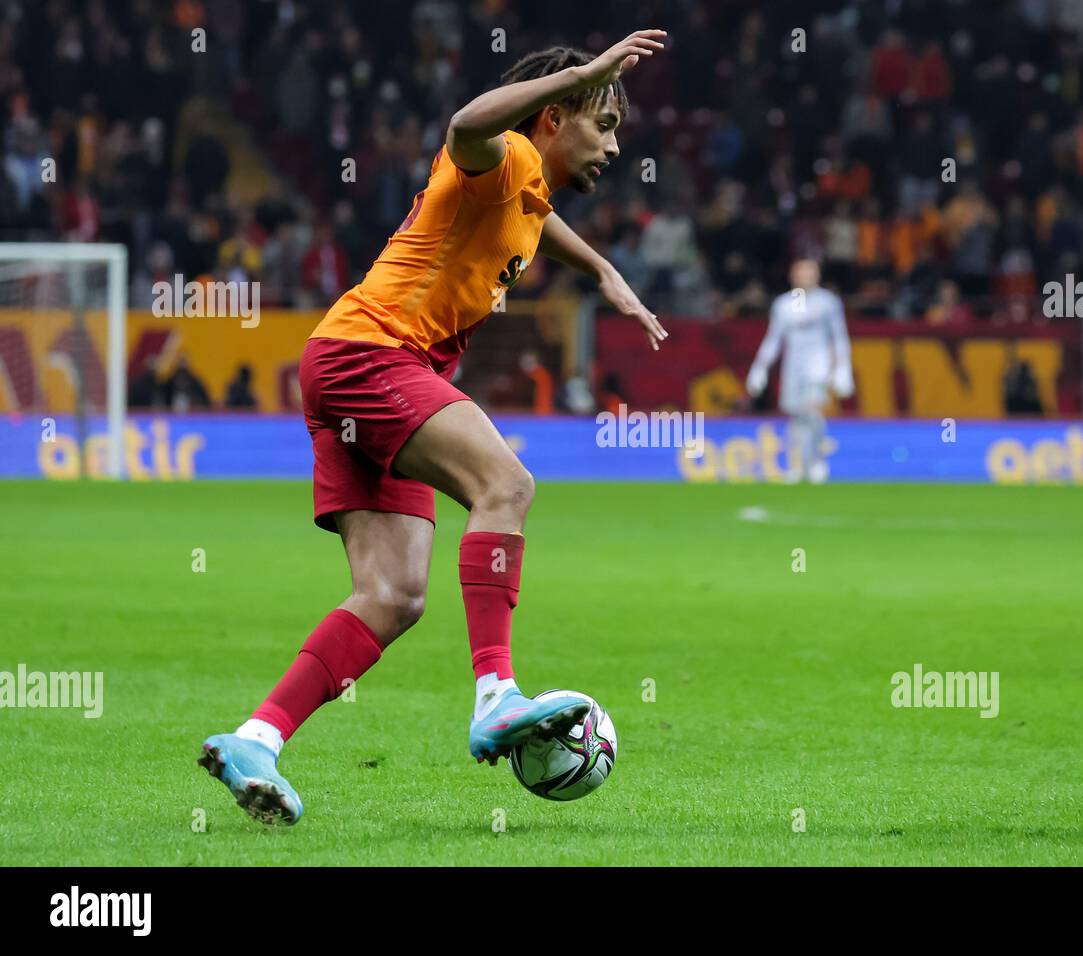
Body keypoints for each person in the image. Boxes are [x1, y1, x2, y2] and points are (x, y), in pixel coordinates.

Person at [198, 31, 670, 825]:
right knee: (507, 484)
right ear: (555, 117)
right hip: (373, 358)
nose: (616, 145)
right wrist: (588, 72)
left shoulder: (525, 195)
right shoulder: (507, 156)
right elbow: (464, 127)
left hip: (346, 364)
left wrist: (602, 271)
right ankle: (495, 693)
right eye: (605, 122)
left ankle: (257, 738)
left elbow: (539, 224)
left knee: (392, 594)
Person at [745, 260, 853, 483]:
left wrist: (843, 369)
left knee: (812, 413)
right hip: (793, 366)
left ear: (818, 275)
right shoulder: (784, 304)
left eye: (809, 272)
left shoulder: (827, 302)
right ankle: (799, 464)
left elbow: (839, 336)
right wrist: (760, 368)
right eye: (800, 273)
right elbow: (774, 338)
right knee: (796, 417)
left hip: (818, 364)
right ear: (792, 276)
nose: (805, 277)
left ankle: (816, 462)